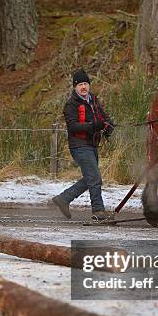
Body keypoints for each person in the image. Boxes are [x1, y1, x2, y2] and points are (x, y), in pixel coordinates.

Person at [51, 69, 116, 221]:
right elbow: (73, 127)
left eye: (85, 83)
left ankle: (63, 199)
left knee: (90, 178)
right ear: (75, 87)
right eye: (80, 84)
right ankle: (98, 211)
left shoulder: (93, 100)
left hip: (92, 145)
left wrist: (108, 126)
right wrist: (95, 125)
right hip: (79, 146)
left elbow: (104, 118)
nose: (83, 87)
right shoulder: (70, 105)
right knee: (94, 178)